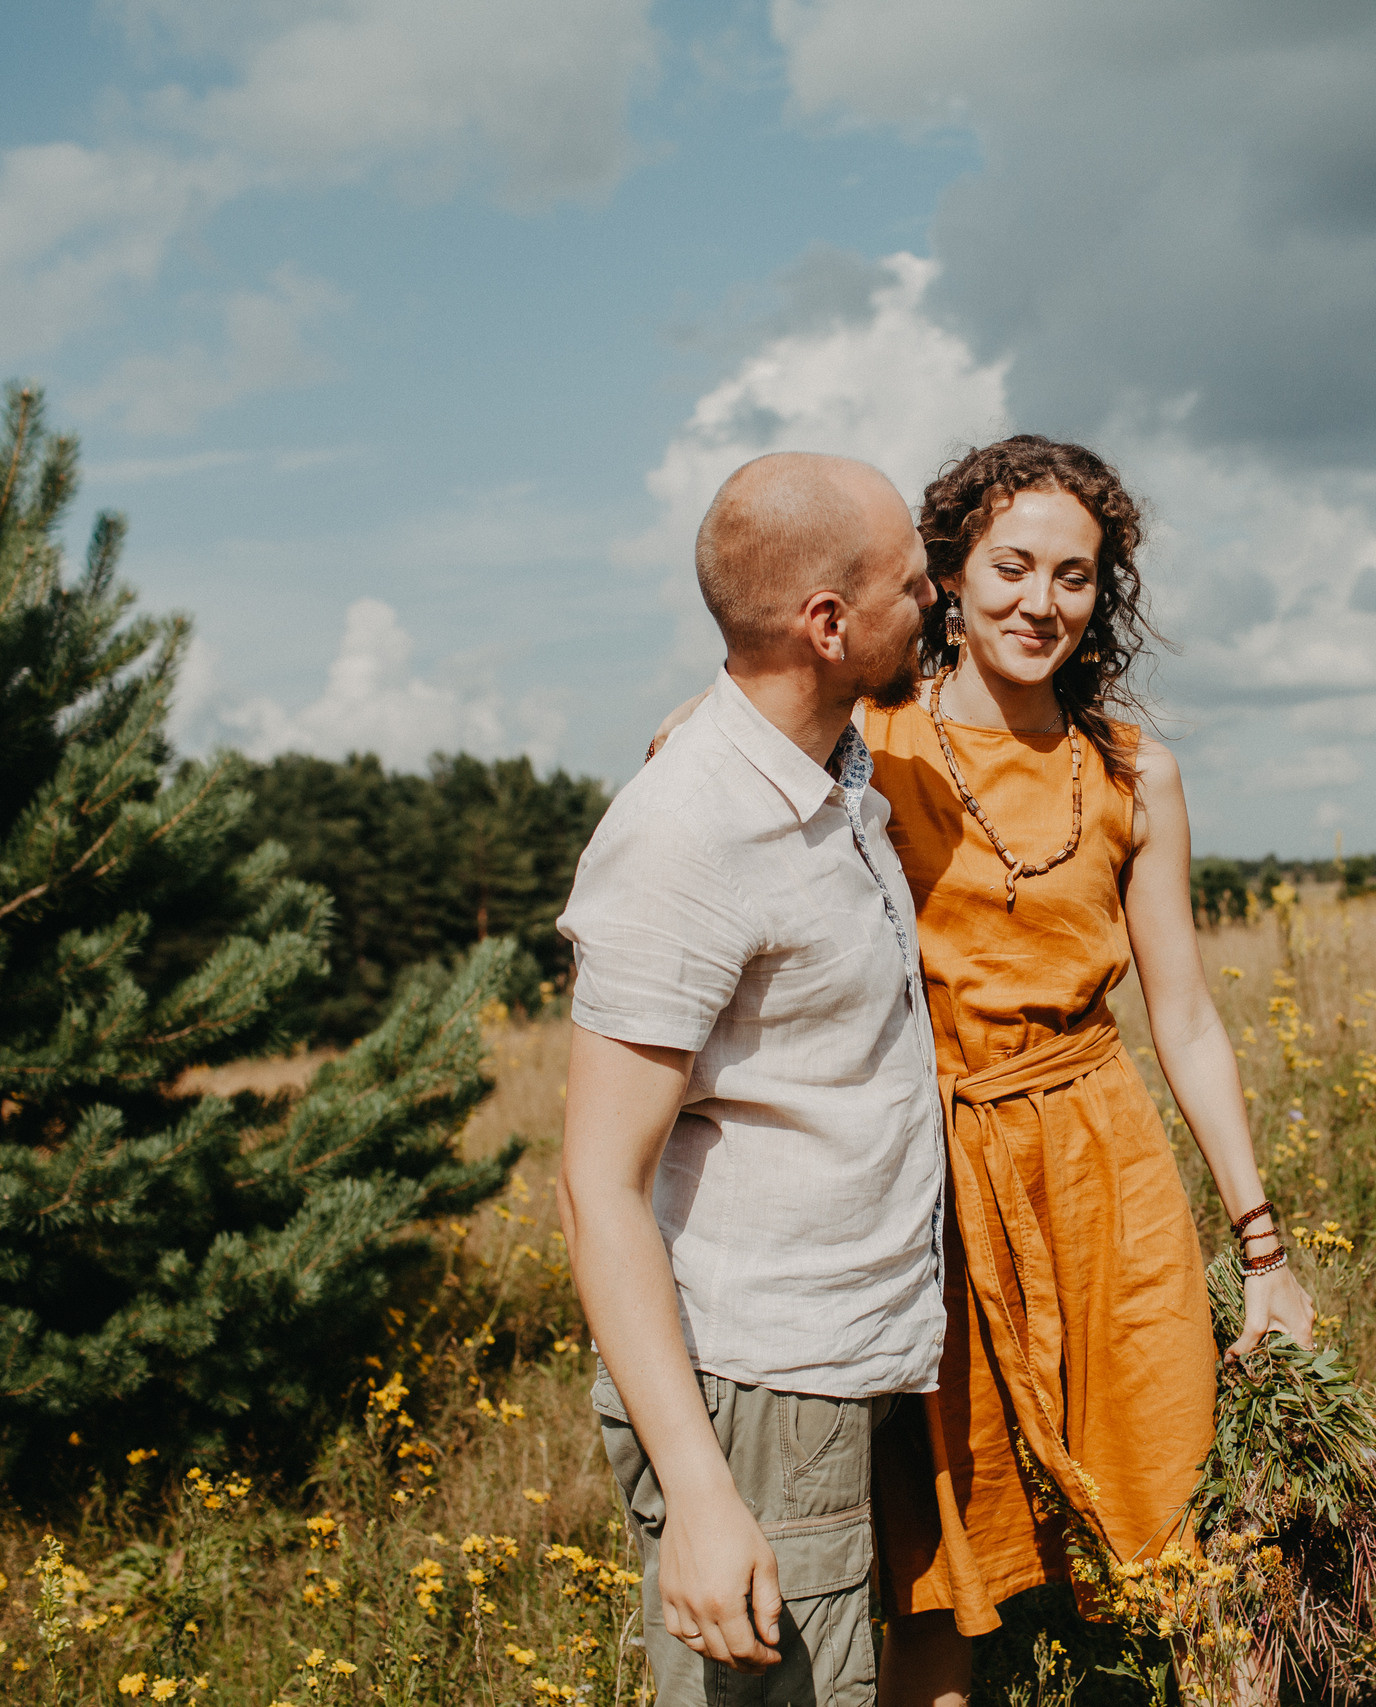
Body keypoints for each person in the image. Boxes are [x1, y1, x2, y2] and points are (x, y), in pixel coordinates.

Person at [653, 436, 1314, 1707]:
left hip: (1104, 1177)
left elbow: (1185, 1021)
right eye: (1011, 566)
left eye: (1076, 576)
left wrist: (1264, 1248)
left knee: (1193, 1538)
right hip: (931, 1193)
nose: (1041, 603)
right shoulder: (870, 741)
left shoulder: (1133, 771)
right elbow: (717, 746)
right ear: (946, 574)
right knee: (944, 1571)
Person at [557, 451, 945, 1707]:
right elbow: (596, 1185)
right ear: (827, 625)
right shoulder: (688, 833)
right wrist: (704, 1496)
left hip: (851, 1352)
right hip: (761, 1385)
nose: (931, 596)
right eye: (909, 581)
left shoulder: (833, 771)